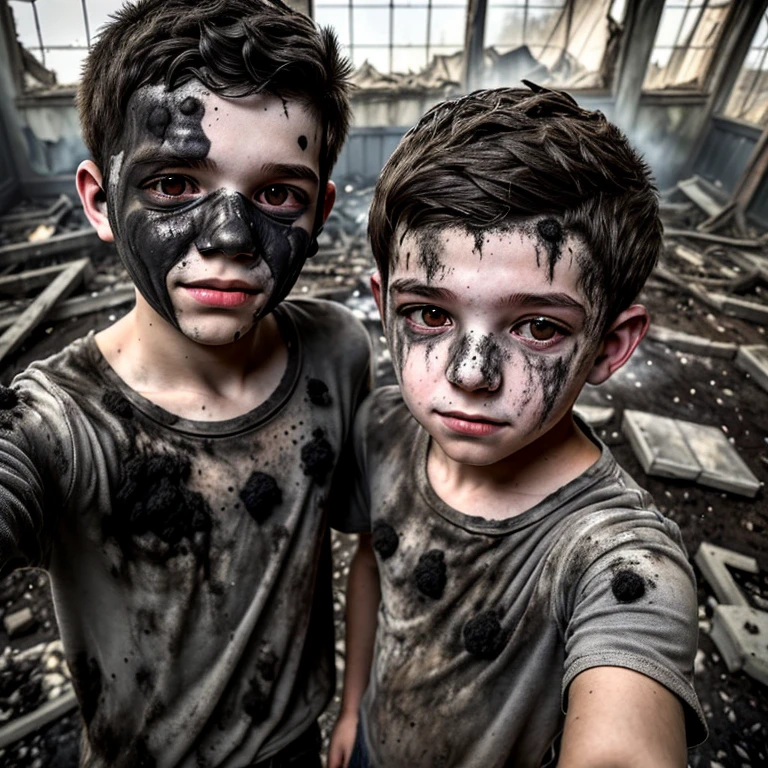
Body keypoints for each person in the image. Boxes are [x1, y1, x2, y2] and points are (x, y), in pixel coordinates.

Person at [0, 1, 371, 766]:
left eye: (277, 195)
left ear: (320, 210)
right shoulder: (55, 423)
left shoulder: (337, 352)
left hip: (296, 739)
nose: (231, 238)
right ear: (101, 201)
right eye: (173, 184)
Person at [329, 84, 707, 768]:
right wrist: (353, 707)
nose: (471, 373)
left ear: (611, 346)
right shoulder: (383, 429)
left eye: (538, 327)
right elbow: (372, 563)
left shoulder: (620, 562)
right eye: (432, 316)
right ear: (384, 307)